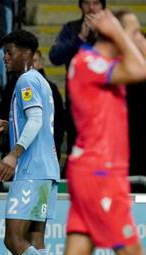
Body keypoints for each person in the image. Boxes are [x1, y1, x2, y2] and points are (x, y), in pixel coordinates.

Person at [56, 10, 146, 255]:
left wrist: (129, 37)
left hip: (96, 171)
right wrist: (119, 31)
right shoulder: (86, 62)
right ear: (111, 32)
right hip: (100, 172)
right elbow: (141, 69)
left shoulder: (107, 69)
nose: (138, 39)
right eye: (135, 32)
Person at [0, 29, 59, 255]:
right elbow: (38, 121)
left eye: (10, 52)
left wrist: (14, 154)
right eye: (4, 52)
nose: (5, 57)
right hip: (47, 170)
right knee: (35, 239)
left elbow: (35, 120)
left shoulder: (26, 80)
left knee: (13, 238)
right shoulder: (40, 81)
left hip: (31, 170)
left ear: (27, 54)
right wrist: (8, 124)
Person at [49, 0, 106, 172]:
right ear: (80, 6)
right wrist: (80, 38)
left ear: (103, 6)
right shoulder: (71, 28)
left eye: (96, 3)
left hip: (105, 101)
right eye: (86, 3)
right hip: (77, 101)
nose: (91, 8)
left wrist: (103, 35)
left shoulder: (112, 30)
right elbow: (55, 57)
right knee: (76, 145)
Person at [33, 50, 66, 161]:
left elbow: (59, 119)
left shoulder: (51, 88)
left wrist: (55, 143)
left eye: (34, 61)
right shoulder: (14, 86)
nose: (32, 65)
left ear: (40, 63)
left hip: (48, 146)